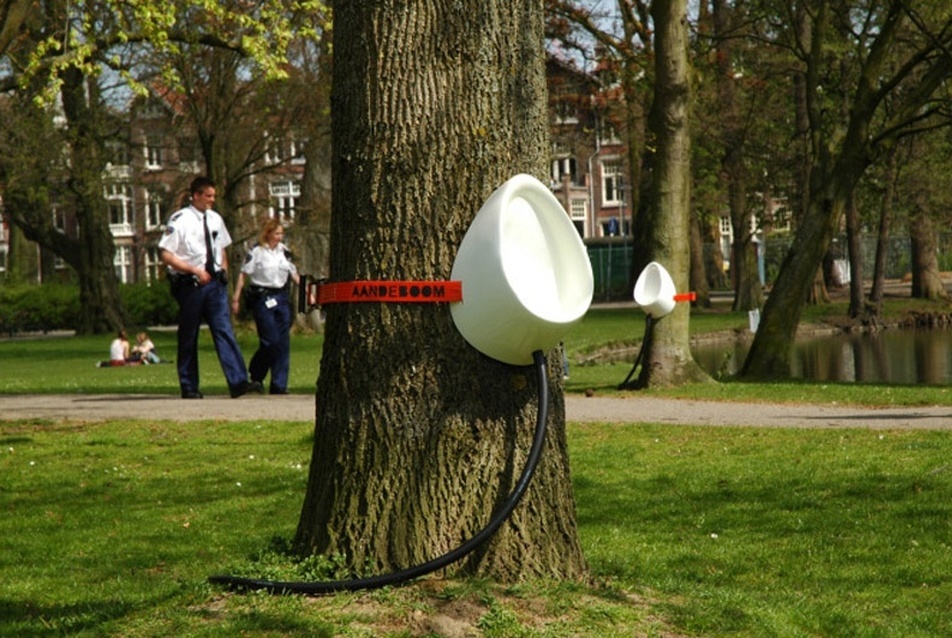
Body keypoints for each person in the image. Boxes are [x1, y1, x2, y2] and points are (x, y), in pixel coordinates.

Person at [158, 176, 261, 399]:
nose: (212, 200)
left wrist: (222, 270)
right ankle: (189, 385)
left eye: (214, 196)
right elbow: (166, 254)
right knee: (189, 335)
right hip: (190, 285)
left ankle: (238, 382)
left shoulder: (215, 219)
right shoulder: (180, 220)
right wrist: (194, 270)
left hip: (214, 284)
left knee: (224, 330)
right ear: (195, 196)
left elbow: (220, 248)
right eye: (208, 196)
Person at [231, 218, 300, 395]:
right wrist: (236, 298)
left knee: (283, 342)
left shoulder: (284, 252)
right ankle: (256, 372)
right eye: (277, 233)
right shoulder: (257, 252)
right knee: (270, 341)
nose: (280, 237)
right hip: (262, 297)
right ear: (268, 233)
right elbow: (243, 274)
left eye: (281, 233)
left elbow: (294, 274)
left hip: (281, 297)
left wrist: (308, 292)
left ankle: (279, 384)